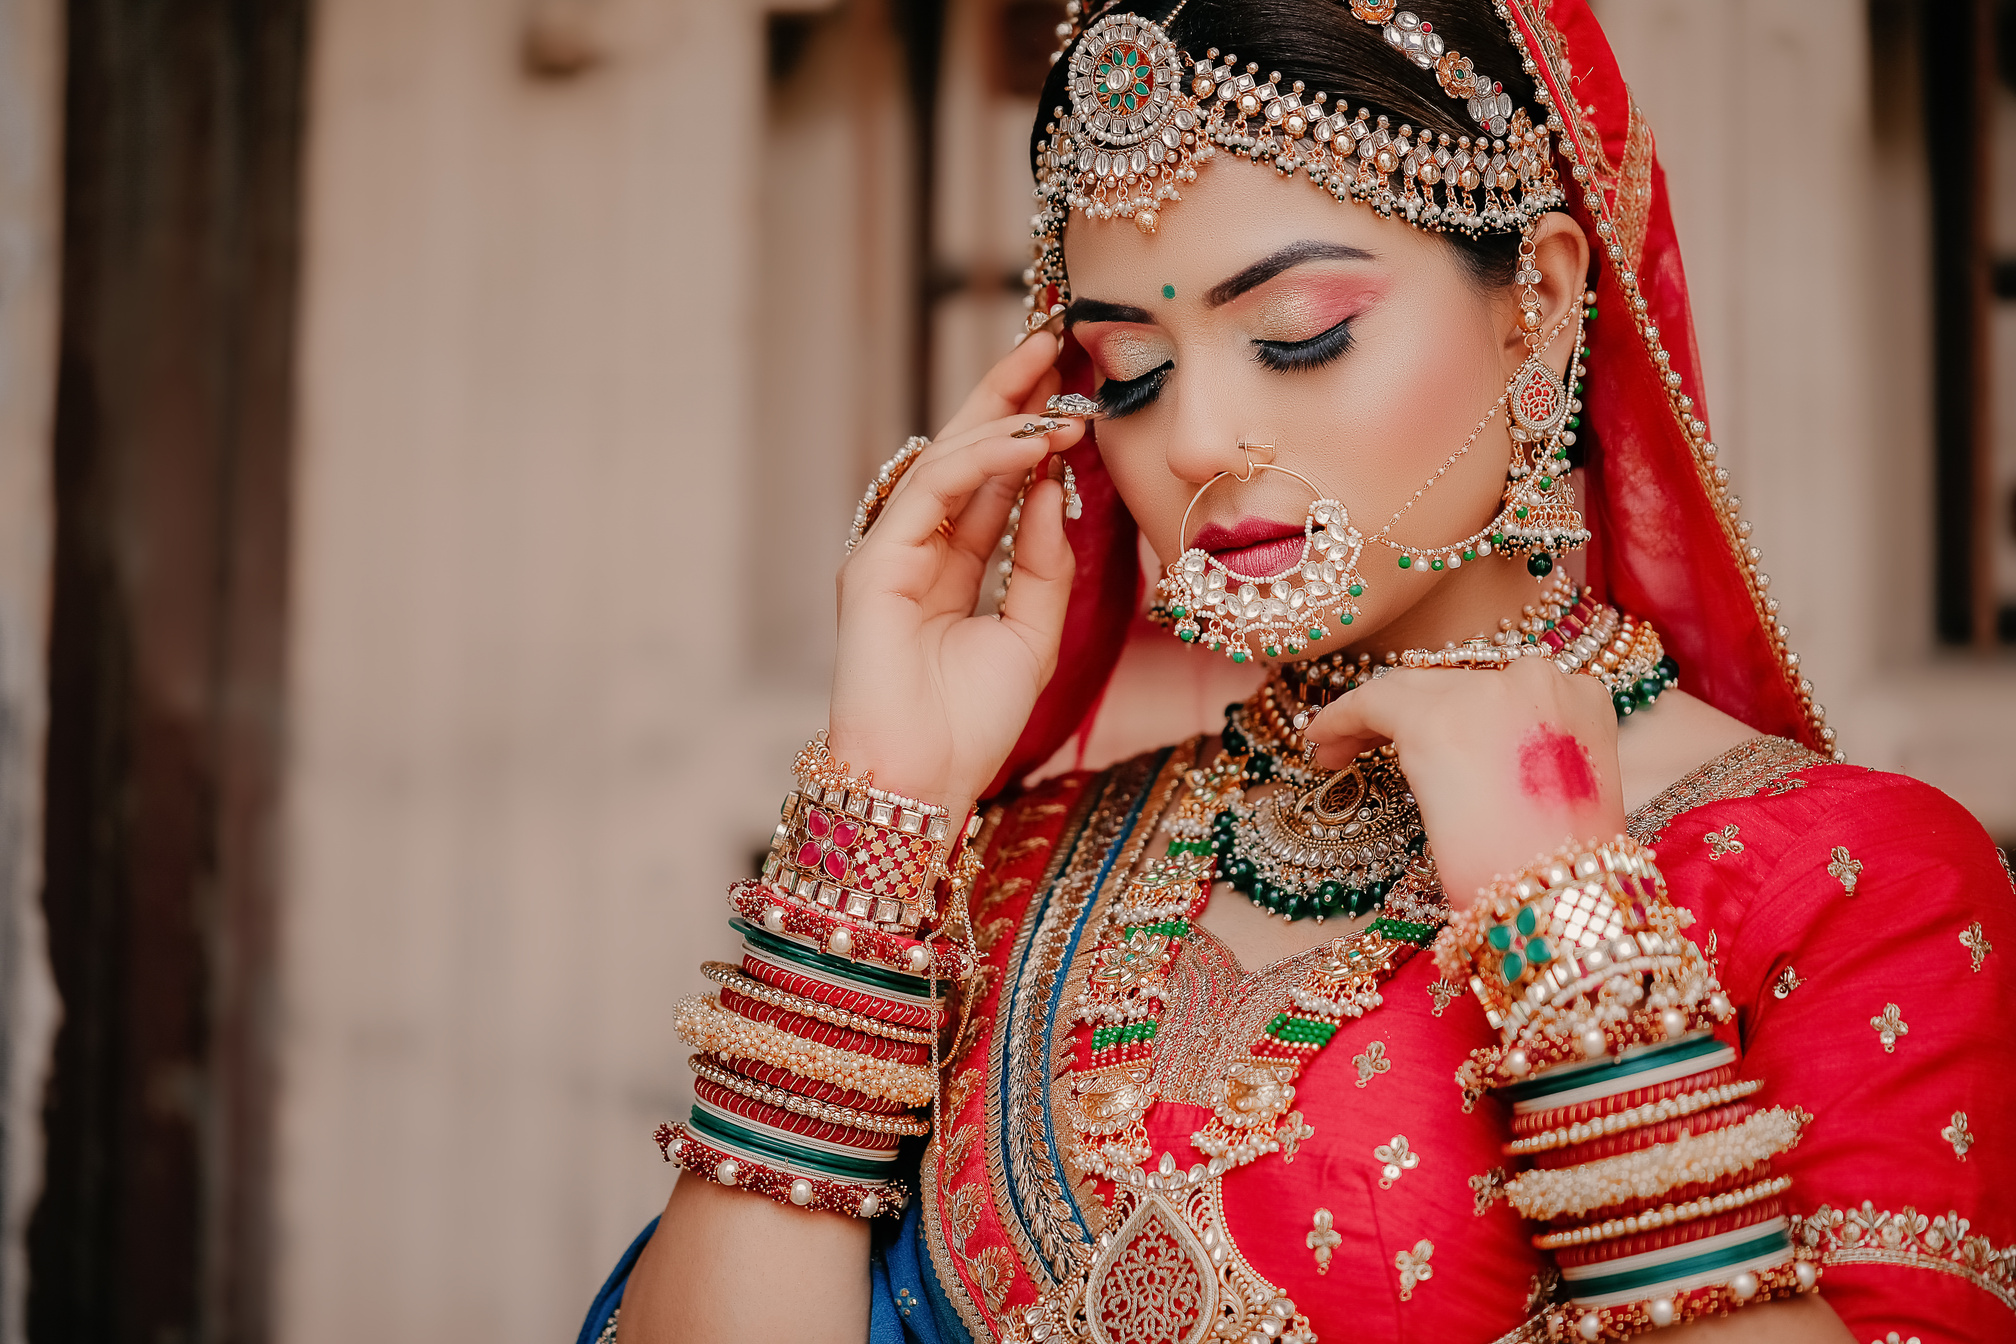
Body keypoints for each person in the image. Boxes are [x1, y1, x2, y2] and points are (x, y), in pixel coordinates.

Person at [583, 2, 2016, 1340]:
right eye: (1128, 374)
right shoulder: (1004, 872)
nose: (1196, 438)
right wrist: (877, 822)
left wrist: (1571, 936)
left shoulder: (1849, 885)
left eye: (1299, 337)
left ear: (1543, 306)